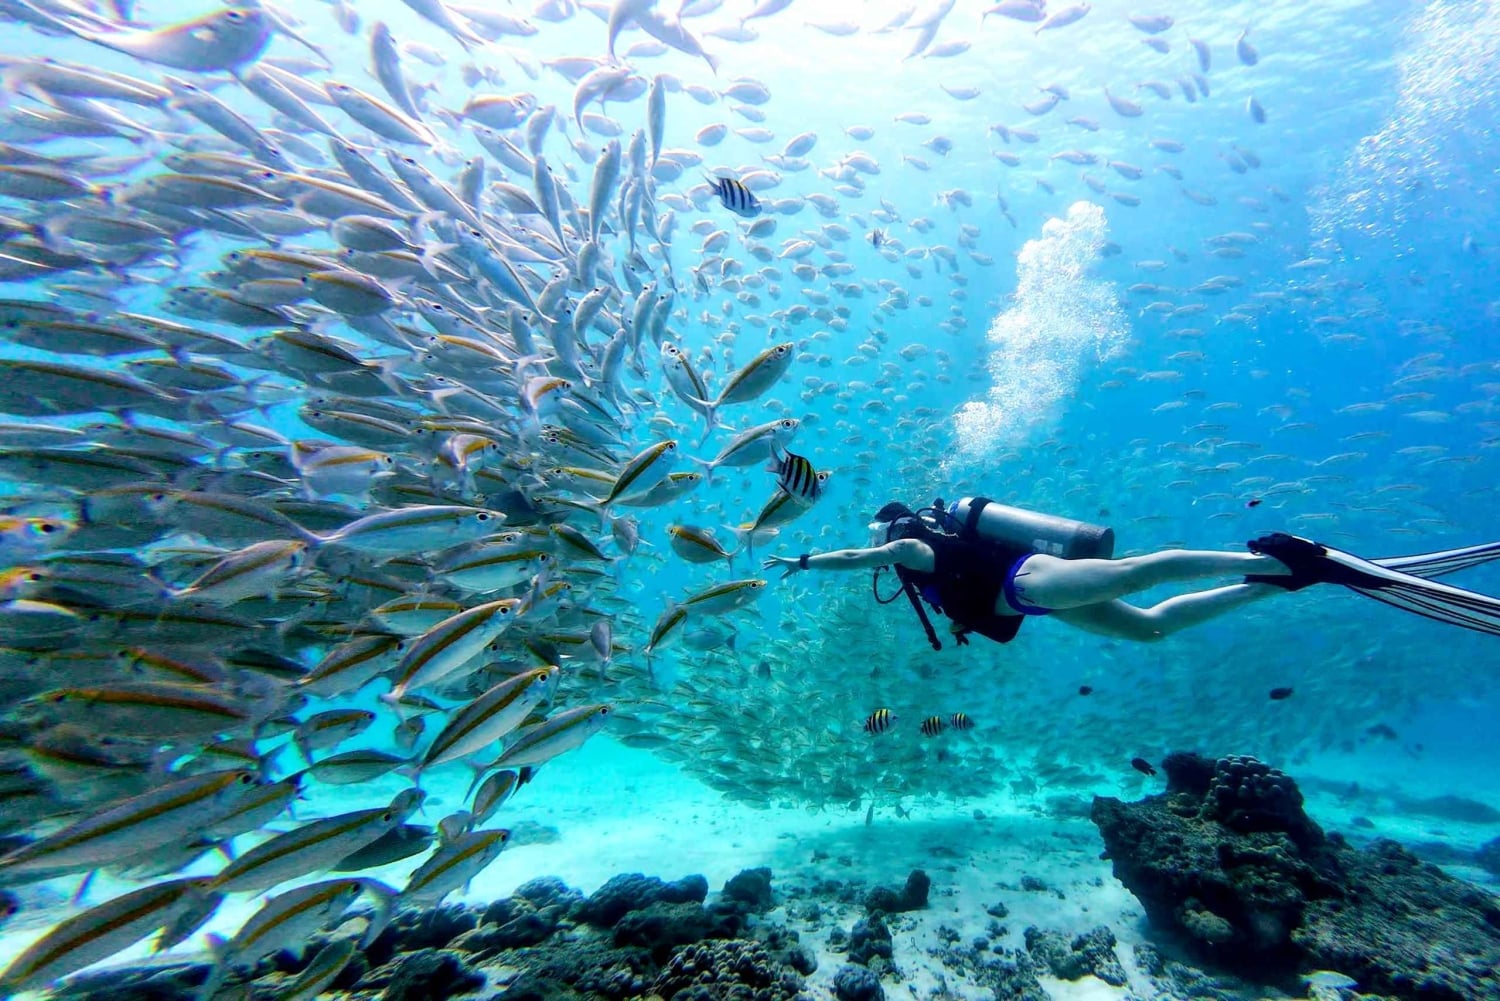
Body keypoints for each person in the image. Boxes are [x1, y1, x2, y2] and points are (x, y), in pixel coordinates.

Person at [762, 500, 1500, 649]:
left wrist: (801, 559)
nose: (879, 545)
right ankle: (1280, 580)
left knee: (1134, 575)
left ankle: (1276, 554)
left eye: (880, 533)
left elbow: (860, 557)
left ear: (895, 526)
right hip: (1029, 602)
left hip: (1030, 578)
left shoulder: (911, 547)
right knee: (1148, 629)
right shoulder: (917, 560)